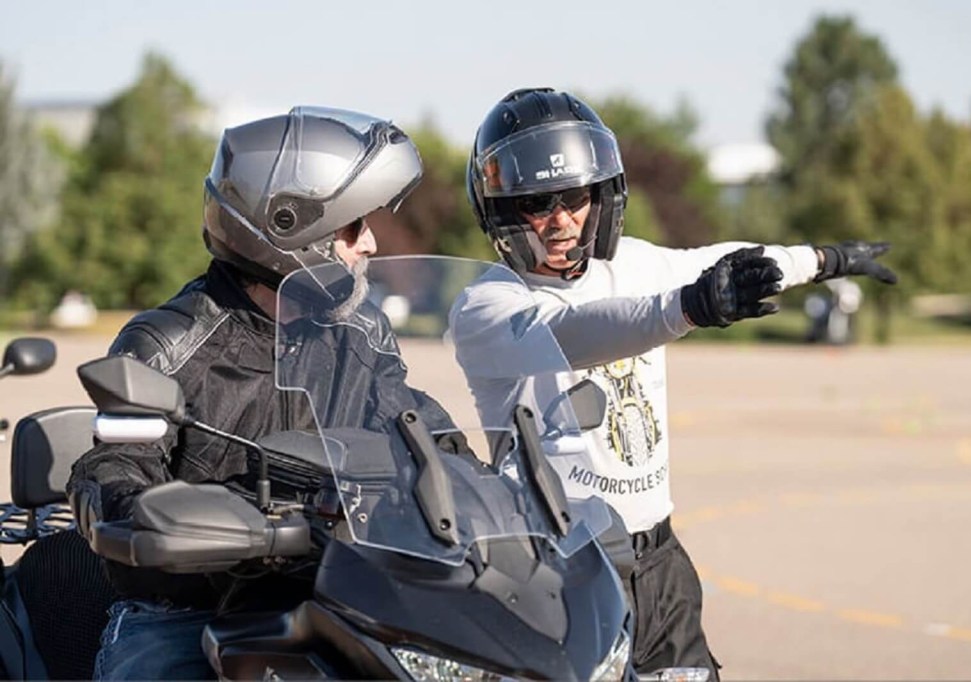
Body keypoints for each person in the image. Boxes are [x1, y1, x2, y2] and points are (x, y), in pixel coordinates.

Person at [455, 87, 898, 677]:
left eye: (574, 196)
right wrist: (689, 307)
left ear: (602, 195)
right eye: (538, 202)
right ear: (505, 212)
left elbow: (733, 258)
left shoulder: (635, 266)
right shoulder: (486, 306)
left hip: (659, 561)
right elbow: (577, 331)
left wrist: (825, 260)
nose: (561, 219)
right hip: (561, 568)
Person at [67, 106, 457, 680]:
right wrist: (173, 524)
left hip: (341, 597)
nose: (370, 244)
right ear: (291, 229)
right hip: (191, 613)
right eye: (355, 227)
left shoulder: (361, 332)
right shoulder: (169, 344)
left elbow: (417, 426)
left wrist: (486, 481)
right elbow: (109, 467)